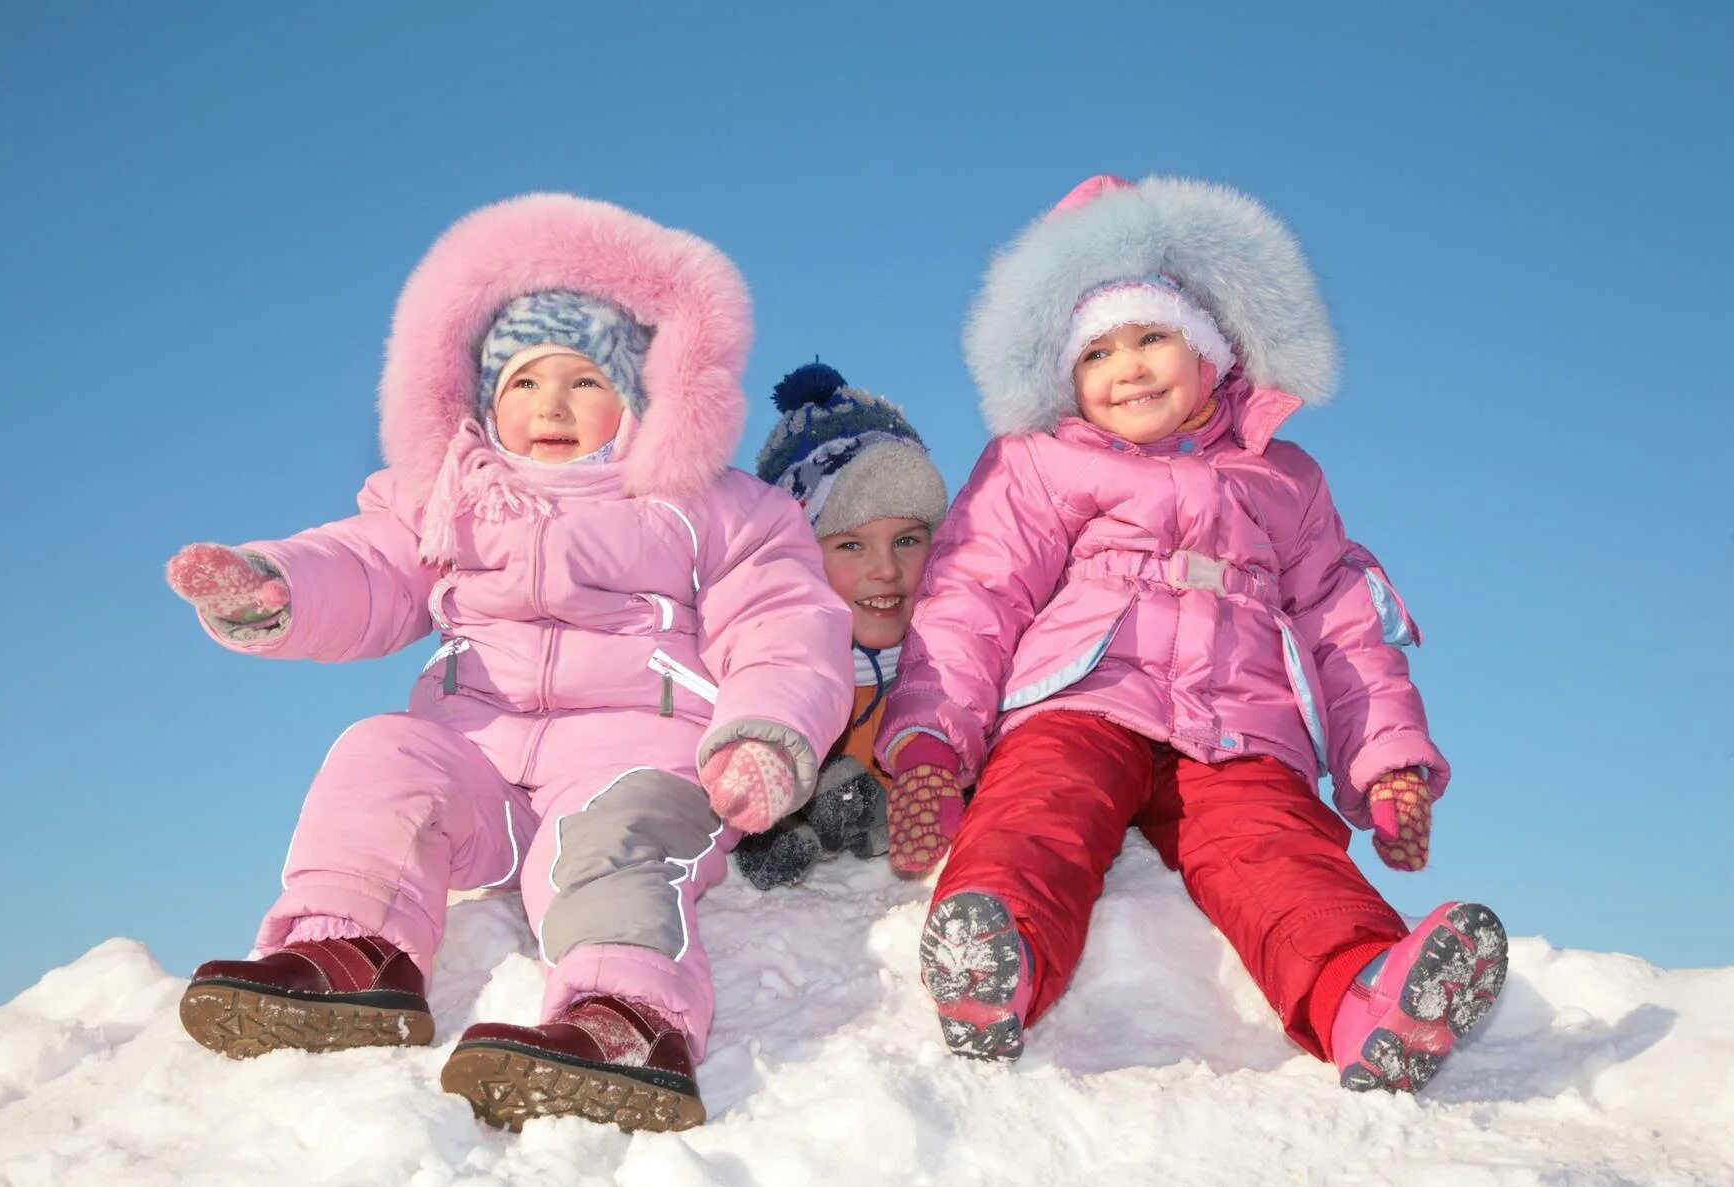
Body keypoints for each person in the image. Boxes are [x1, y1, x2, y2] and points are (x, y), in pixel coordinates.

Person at [164, 194, 852, 1132]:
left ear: (643, 395)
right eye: (524, 383)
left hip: (633, 758)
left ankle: (626, 1013)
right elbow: (365, 568)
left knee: (618, 839)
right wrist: (273, 584)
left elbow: (779, 621)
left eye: (583, 380)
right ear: (483, 400)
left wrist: (764, 731)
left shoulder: (711, 507)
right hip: (478, 762)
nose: (552, 406)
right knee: (380, 754)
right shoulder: (444, 496)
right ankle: (350, 949)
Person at [878, 175, 1506, 1094]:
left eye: (1151, 336)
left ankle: (1362, 994)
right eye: (1095, 351)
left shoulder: (1281, 478)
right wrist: (935, 737)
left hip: (1240, 726)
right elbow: (974, 593)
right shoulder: (1040, 463)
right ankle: (995, 956)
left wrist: (1387, 761)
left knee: (1276, 853)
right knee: (1041, 806)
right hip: (1082, 695)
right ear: (1061, 375)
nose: (1125, 366)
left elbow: (1342, 625)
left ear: (1212, 351)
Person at [731, 362, 948, 889]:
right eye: (850, 544)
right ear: (800, 554)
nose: (886, 570)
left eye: (907, 540)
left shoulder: (958, 670)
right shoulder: (764, 675)